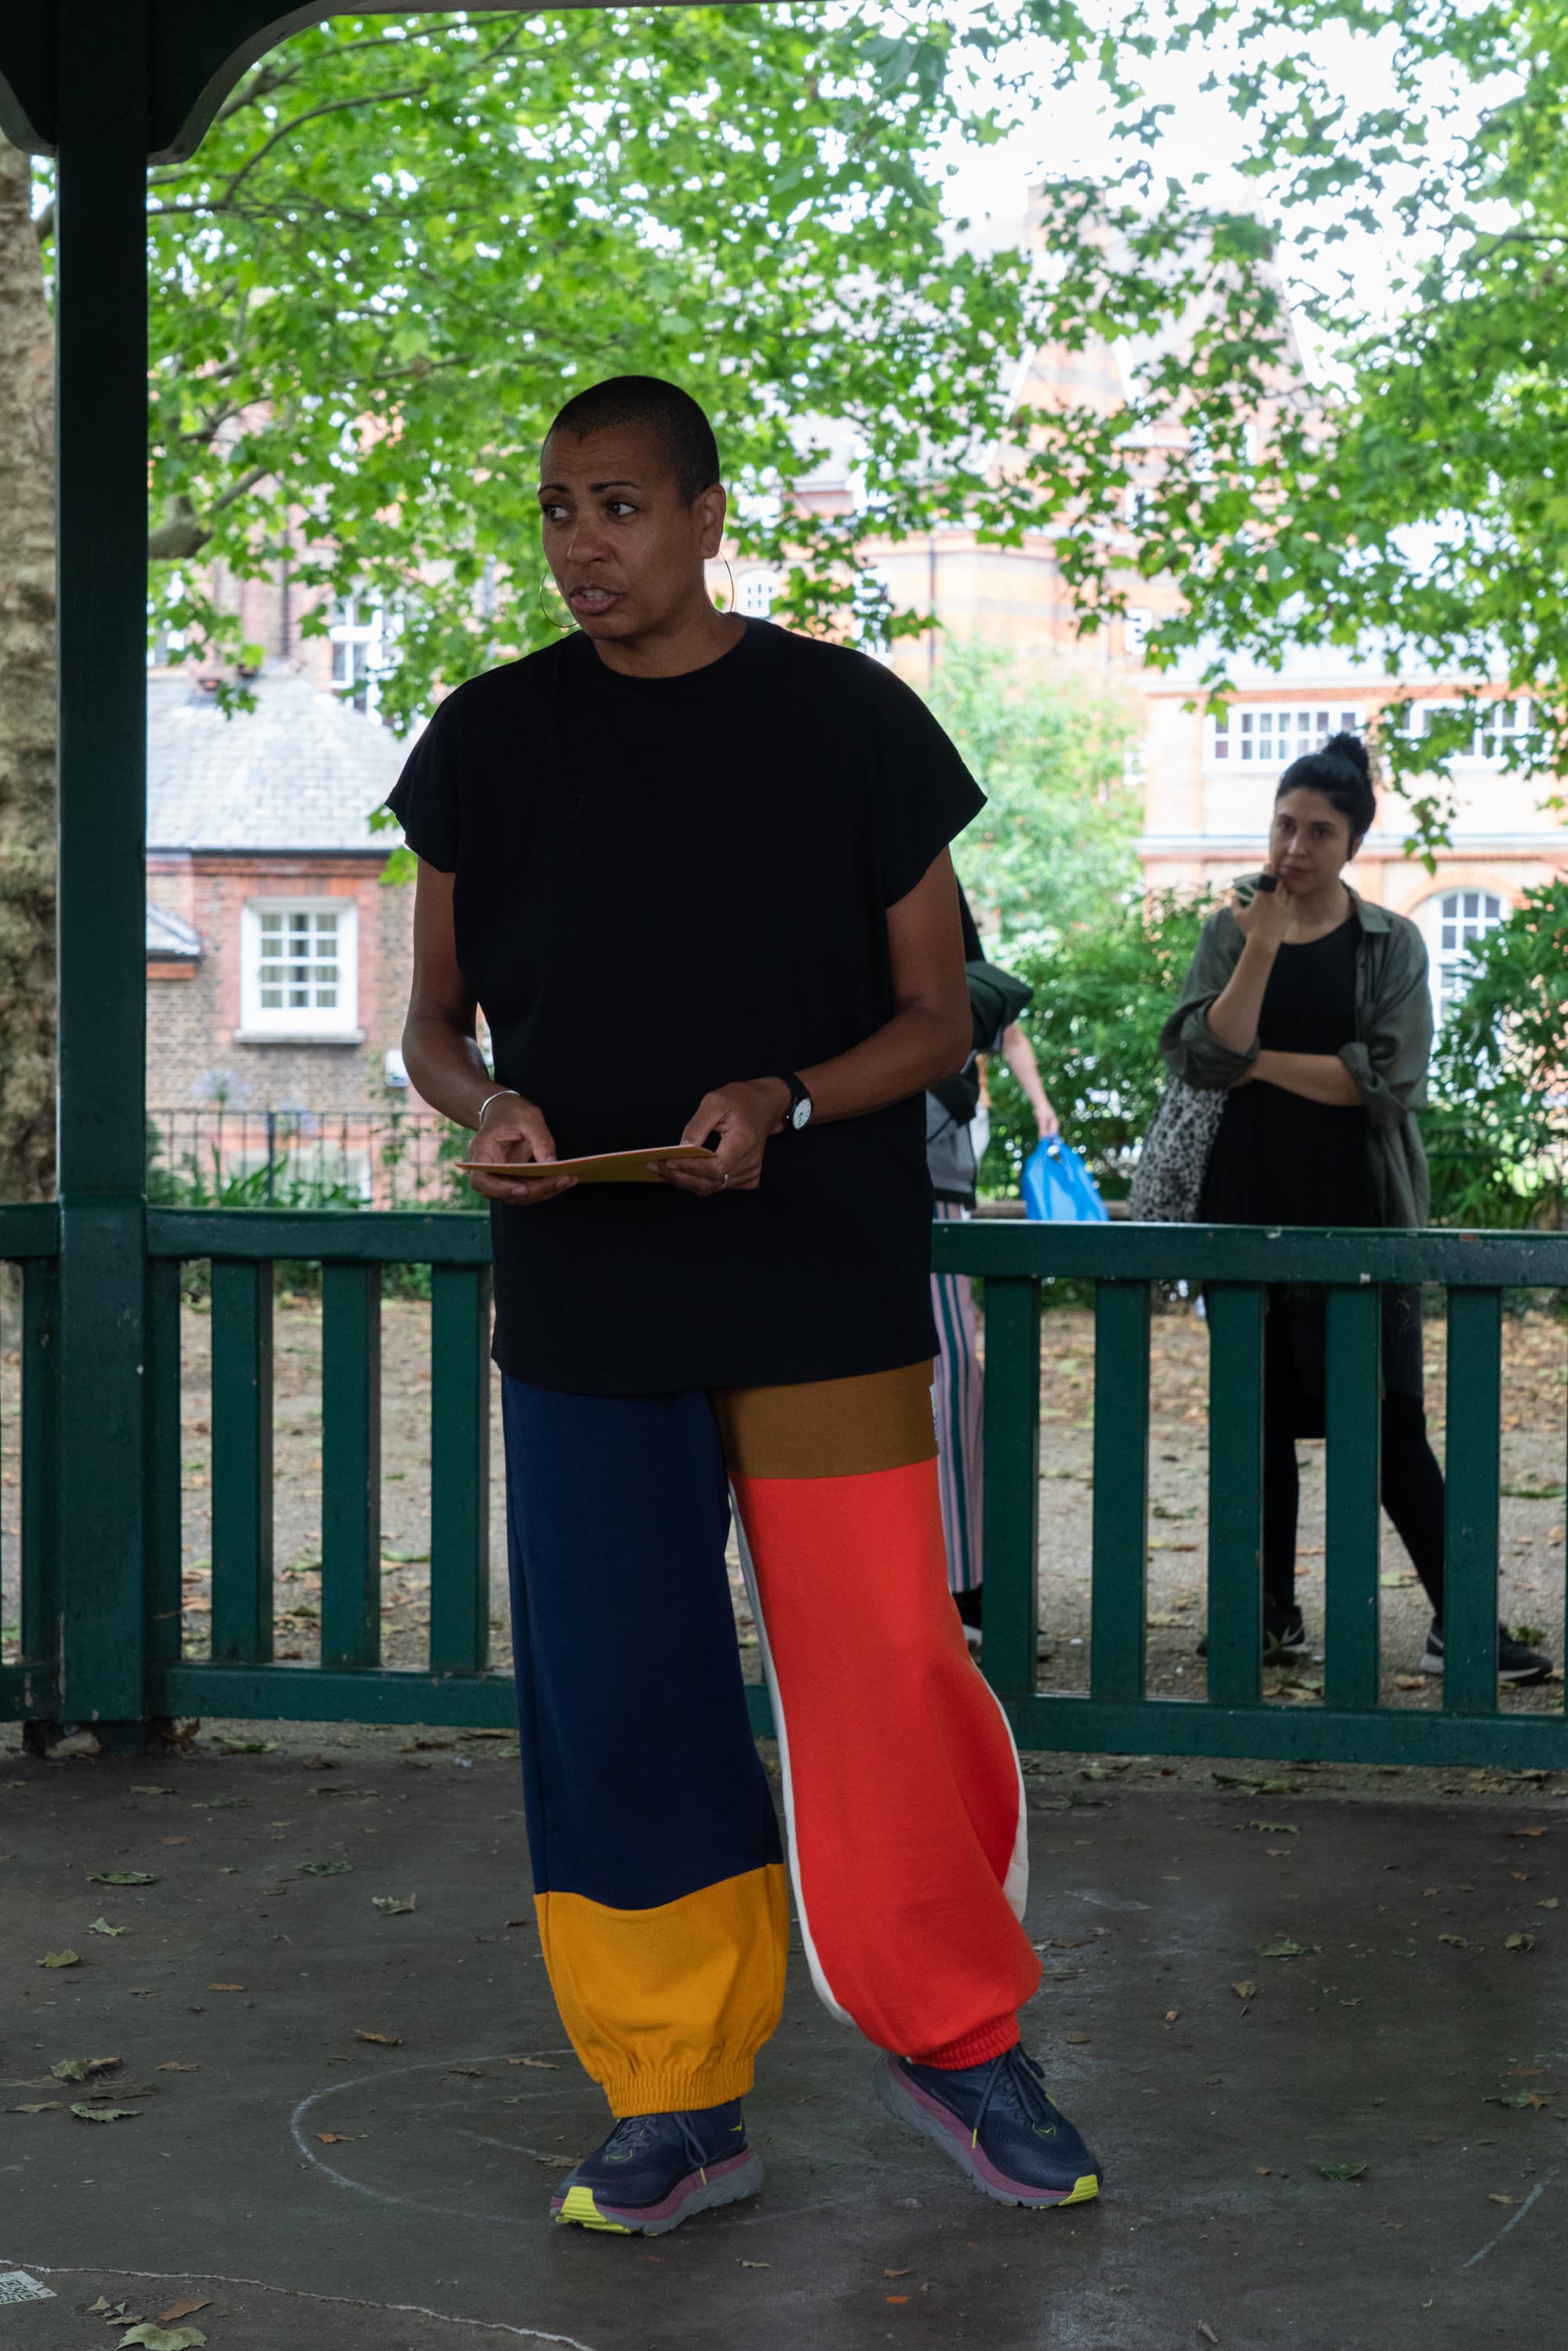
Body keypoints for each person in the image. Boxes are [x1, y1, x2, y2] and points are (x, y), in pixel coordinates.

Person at [391, 375, 1102, 2237]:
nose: (578, 545)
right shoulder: (483, 738)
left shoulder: (847, 720)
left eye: (615, 505)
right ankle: (674, 2091)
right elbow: (431, 1029)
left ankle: (956, 2035)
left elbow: (935, 1024)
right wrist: (497, 1114)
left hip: (813, 1283)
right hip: (585, 1294)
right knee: (616, 1691)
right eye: (552, 509)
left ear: (709, 515)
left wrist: (782, 1098)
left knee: (876, 1664)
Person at [1161, 732, 1552, 1683]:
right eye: (1284, 825)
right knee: (1255, 1423)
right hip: (1244, 1208)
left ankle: (1460, 1624)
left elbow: (1385, 1084)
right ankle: (1266, 1617)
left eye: (1319, 832)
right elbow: (1193, 1053)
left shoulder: (1391, 942)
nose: (1294, 848)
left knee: (1387, 1423)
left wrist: (1250, 1061)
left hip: (1362, 1212)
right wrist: (1255, 953)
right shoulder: (1232, 928)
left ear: (1352, 844)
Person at [928, 892, 1057, 1638]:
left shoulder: (931, 900)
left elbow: (1000, 1027)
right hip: (875, 1164)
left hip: (928, 1167)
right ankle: (949, 1579)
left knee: (951, 1377)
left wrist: (1038, 1103)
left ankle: (963, 1581)